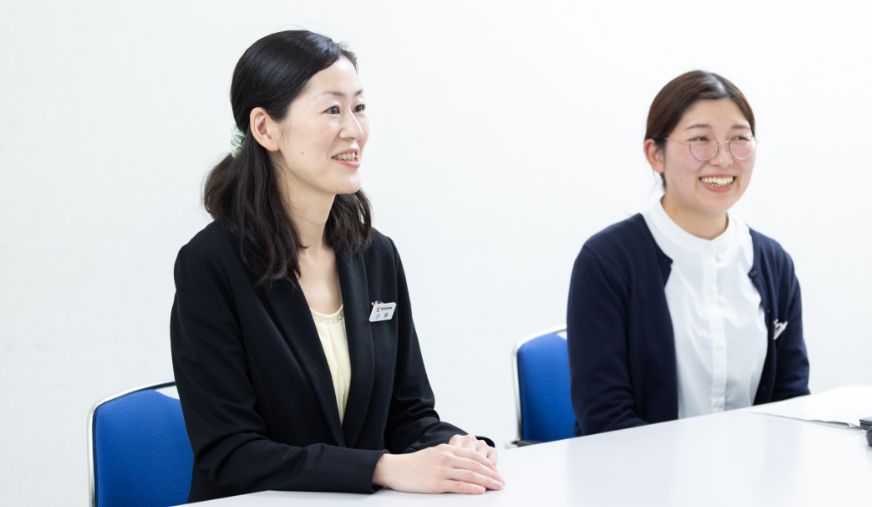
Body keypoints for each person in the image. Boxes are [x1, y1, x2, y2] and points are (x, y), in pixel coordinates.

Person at [170, 30, 503, 502]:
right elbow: (232, 454)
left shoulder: (376, 255)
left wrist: (454, 448)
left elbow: (408, 416)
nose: (354, 130)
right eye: (332, 110)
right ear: (265, 129)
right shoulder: (210, 265)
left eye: (359, 107)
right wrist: (382, 468)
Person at [567, 70, 809, 436]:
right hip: (639, 482)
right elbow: (606, 419)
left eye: (739, 139)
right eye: (701, 139)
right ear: (655, 154)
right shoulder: (608, 261)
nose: (724, 159)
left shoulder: (773, 262)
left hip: (753, 483)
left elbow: (791, 402)